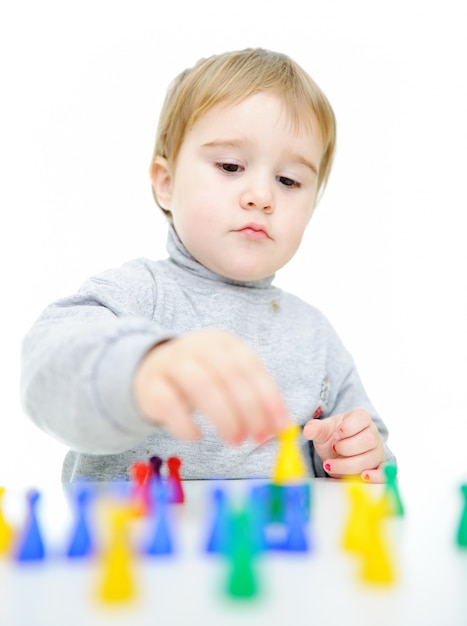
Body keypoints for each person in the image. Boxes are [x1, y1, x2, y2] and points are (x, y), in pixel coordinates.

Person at [20, 48, 395, 484]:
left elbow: (376, 469)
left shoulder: (314, 336)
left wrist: (353, 455)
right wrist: (142, 368)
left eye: (289, 180)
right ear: (166, 183)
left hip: (271, 553)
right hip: (134, 551)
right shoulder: (136, 295)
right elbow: (45, 379)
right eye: (230, 166)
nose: (261, 196)